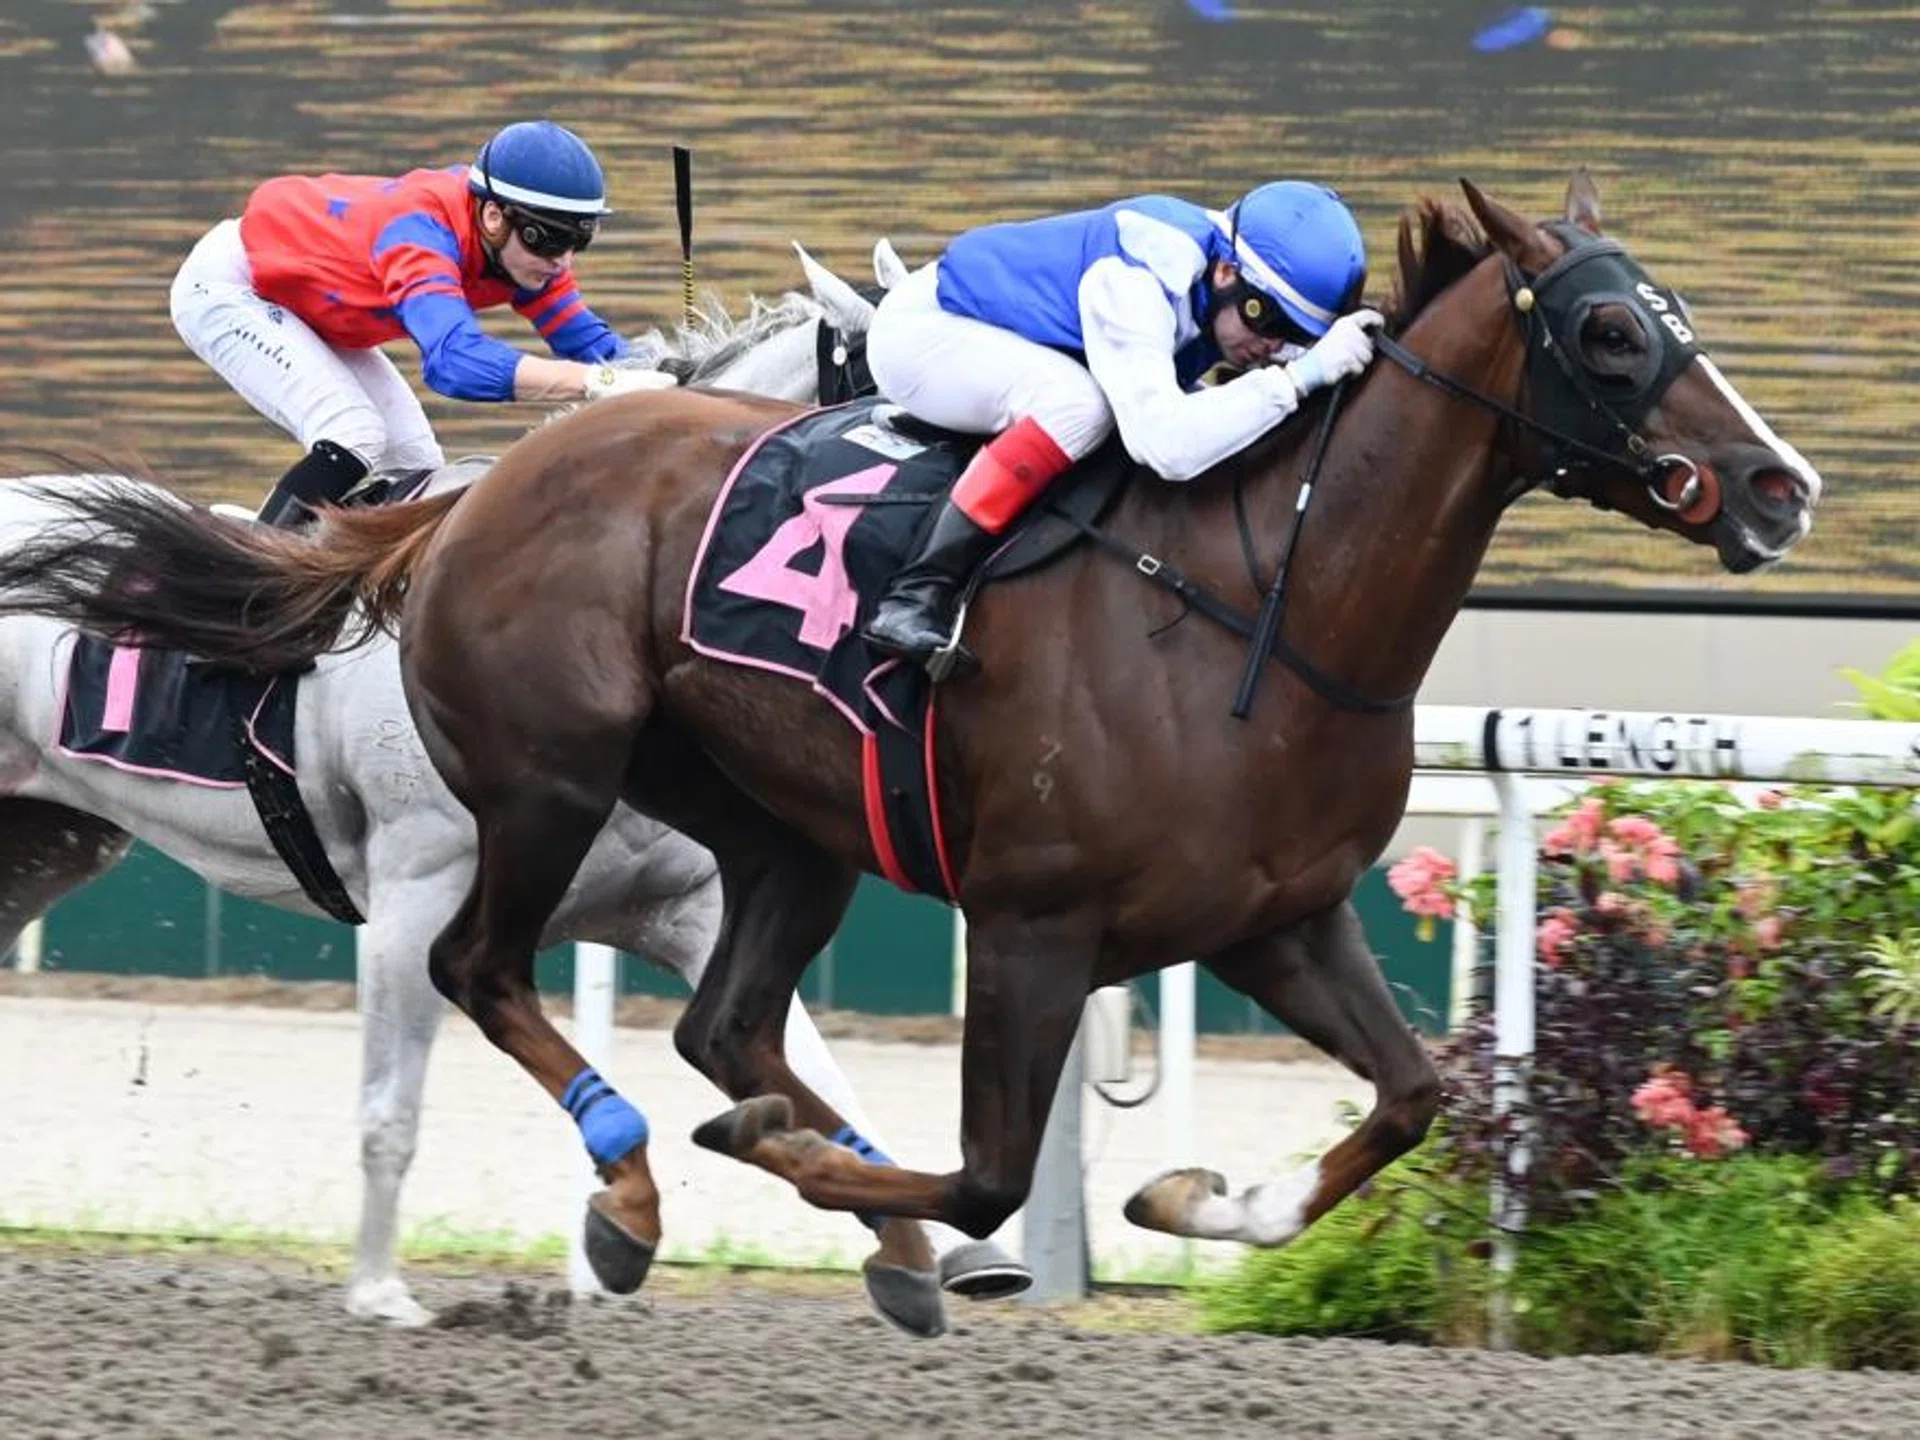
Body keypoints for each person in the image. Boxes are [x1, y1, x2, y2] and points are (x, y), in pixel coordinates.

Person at [861, 181, 1384, 668]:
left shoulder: (1213, 275)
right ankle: (916, 593)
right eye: (1267, 319)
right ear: (1226, 273)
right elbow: (1166, 446)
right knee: (1080, 407)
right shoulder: (1135, 280)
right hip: (922, 337)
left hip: (1010, 339)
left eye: (1297, 336)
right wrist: (1299, 379)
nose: (1273, 348)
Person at [169, 120, 670, 527]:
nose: (562, 262)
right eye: (548, 240)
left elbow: (588, 343)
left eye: (577, 243)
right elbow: (454, 363)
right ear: (493, 216)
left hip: (318, 306)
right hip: (235, 286)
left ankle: (327, 576)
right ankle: (245, 580)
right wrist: (600, 383)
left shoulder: (528, 258)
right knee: (353, 432)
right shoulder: (418, 231)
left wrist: (679, 371)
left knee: (416, 466)